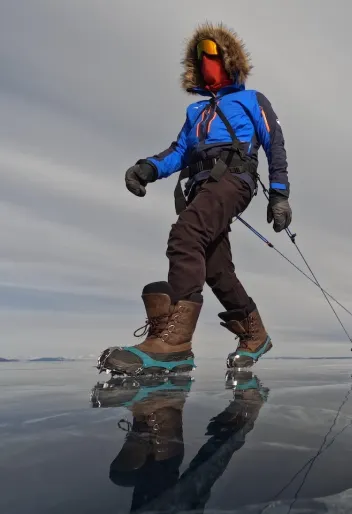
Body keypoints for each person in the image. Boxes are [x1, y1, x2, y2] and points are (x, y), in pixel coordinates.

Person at [97, 22, 291, 376]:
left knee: (186, 235)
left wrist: (279, 195)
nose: (206, 63)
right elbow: (179, 151)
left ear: (229, 60)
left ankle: (175, 343)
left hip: (234, 179)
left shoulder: (251, 100)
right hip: (202, 187)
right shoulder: (195, 113)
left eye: (212, 55)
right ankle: (254, 335)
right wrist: (147, 169)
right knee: (216, 267)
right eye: (199, 58)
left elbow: (274, 144)